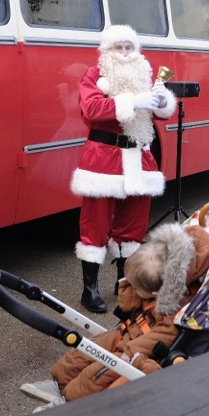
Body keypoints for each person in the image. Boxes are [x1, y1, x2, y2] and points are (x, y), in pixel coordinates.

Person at [21, 223, 209, 409]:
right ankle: (58, 383)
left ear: (154, 294)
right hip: (125, 334)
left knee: (97, 373)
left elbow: (159, 337)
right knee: (84, 350)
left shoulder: (174, 311)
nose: (132, 287)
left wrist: (130, 350)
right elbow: (127, 306)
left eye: (136, 287)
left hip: (134, 351)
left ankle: (69, 401)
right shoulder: (154, 287)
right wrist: (130, 287)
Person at [70, 25, 176, 313]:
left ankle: (125, 286)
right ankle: (89, 290)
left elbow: (162, 113)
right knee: (95, 224)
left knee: (133, 226)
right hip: (103, 158)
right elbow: (91, 110)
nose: (125, 53)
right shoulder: (95, 75)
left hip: (138, 156)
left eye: (130, 47)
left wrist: (162, 101)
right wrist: (131, 101)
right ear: (108, 51)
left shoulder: (145, 75)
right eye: (119, 47)